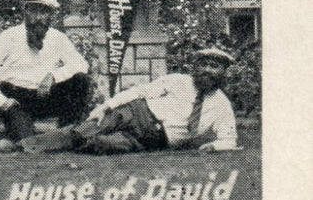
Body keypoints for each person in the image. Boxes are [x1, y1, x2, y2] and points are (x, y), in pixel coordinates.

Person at [21, 47, 240, 154]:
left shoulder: (222, 106)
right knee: (85, 130)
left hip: (154, 139)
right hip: (136, 112)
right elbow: (140, 91)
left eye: (214, 66)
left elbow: (229, 139)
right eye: (204, 65)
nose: (208, 71)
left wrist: (213, 146)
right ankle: (24, 145)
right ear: (196, 66)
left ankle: (47, 142)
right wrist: (106, 106)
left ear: (223, 72)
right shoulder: (178, 81)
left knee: (99, 145)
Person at [0, 0, 92, 150]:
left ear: (51, 16)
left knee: (80, 79)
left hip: (46, 96)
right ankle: (33, 139)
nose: (38, 18)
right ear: (25, 12)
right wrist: (1, 102)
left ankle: (67, 131)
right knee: (27, 141)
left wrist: (53, 76)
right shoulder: (9, 36)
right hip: (17, 99)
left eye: (44, 13)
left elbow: (81, 64)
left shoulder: (57, 38)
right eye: (33, 11)